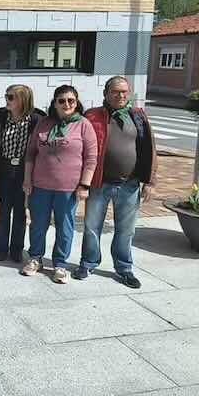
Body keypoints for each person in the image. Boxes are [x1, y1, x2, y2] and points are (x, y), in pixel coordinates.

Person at [75, 76, 157, 289]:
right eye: (116, 91)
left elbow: (149, 148)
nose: (121, 95)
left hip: (129, 185)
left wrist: (150, 181)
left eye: (124, 92)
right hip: (99, 183)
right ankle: (88, 263)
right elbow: (80, 147)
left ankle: (124, 268)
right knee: (92, 226)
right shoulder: (92, 115)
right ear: (106, 93)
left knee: (126, 230)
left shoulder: (138, 116)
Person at [22, 85, 98, 284]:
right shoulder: (43, 123)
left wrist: (85, 185)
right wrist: (27, 179)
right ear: (54, 103)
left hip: (68, 188)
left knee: (65, 228)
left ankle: (60, 264)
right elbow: (30, 154)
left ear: (76, 102)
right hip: (40, 185)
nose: (66, 104)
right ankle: (35, 258)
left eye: (71, 100)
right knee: (38, 224)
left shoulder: (83, 125)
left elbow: (91, 158)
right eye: (61, 100)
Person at [0, 85, 44, 262]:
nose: (7, 100)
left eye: (11, 97)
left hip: (25, 171)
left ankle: (17, 249)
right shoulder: (0, 117)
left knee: (20, 211)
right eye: (6, 96)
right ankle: (1, 249)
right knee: (3, 210)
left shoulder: (36, 120)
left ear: (23, 99)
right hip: (4, 169)